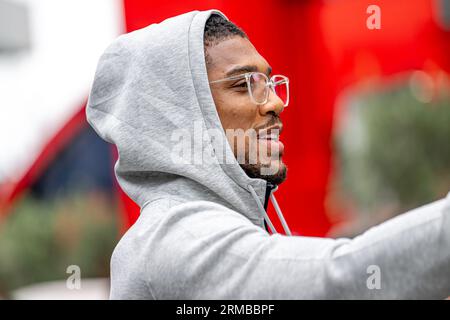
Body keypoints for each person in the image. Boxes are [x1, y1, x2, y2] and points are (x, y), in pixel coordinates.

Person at [86, 9, 450, 299]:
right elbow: (338, 281)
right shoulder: (174, 241)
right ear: (178, 111)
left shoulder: (215, 229)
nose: (275, 101)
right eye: (245, 85)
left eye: (270, 83)